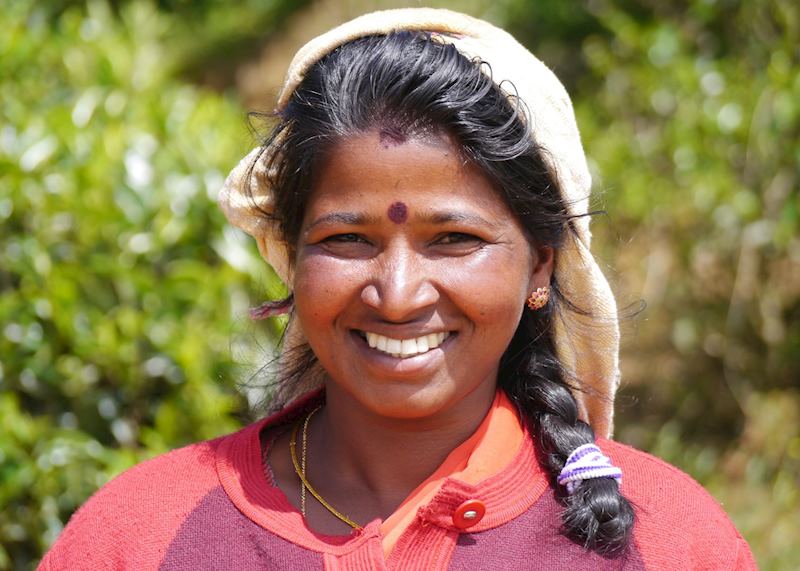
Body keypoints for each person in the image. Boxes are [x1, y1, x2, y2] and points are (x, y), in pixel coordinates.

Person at [39, 8, 757, 570]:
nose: (400, 292)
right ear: (292, 256)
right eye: (347, 239)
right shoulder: (139, 536)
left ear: (541, 264)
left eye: (454, 239)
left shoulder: (673, 542)